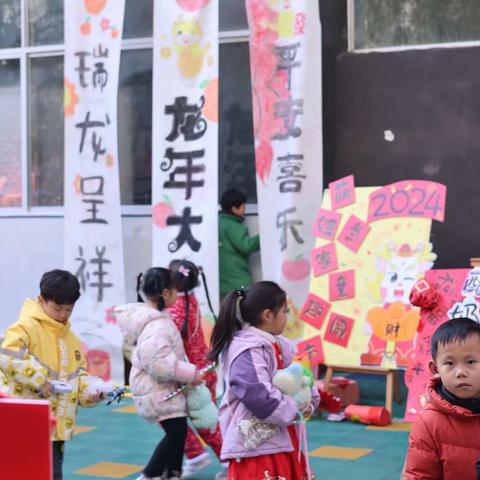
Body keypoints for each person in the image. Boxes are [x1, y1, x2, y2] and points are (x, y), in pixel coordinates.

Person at [0, 269, 105, 480]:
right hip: (26, 421)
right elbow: (8, 356)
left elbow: (78, 375)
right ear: (41, 300)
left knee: (47, 473)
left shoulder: (72, 340)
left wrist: (91, 391)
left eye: (69, 309)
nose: (63, 314)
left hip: (56, 426)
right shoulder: (25, 327)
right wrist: (41, 380)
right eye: (57, 308)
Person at [209, 281, 319, 479]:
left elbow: (300, 378)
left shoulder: (277, 344)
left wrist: (308, 399)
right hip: (255, 447)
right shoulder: (248, 349)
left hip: (277, 438)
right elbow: (257, 394)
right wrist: (294, 406)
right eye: (284, 311)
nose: (287, 317)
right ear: (267, 315)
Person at [116, 267, 204, 480]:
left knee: (178, 433)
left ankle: (172, 473)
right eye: (175, 290)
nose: (177, 294)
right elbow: (160, 364)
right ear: (165, 293)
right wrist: (191, 374)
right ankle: (150, 474)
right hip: (158, 391)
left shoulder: (155, 319)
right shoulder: (157, 325)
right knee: (176, 434)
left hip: (160, 390)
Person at [168, 259, 226, 479]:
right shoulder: (191, 300)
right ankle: (203, 457)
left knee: (179, 420)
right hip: (204, 369)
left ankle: (202, 456)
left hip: (193, 375)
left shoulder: (176, 309)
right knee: (202, 421)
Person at [405, 317, 480, 480]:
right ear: (435, 368)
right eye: (450, 363)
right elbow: (420, 475)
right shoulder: (429, 422)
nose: (461, 372)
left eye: (471, 362)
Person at [219, 188, 260, 298]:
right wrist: (263, 238)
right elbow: (246, 246)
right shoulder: (233, 225)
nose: (245, 209)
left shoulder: (219, 222)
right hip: (238, 283)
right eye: (243, 206)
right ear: (234, 209)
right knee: (241, 308)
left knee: (227, 310)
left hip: (222, 285)